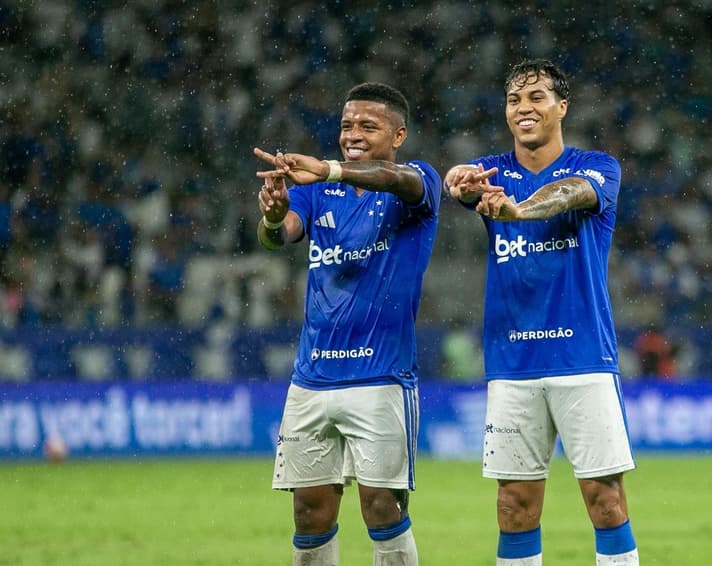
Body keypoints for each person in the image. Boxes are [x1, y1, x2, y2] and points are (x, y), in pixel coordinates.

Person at [444, 59, 639, 565]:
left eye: (537, 98)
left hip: (583, 360)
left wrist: (520, 210)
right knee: (514, 506)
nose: (524, 108)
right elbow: (460, 184)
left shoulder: (598, 166)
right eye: (514, 100)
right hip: (513, 365)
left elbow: (571, 193)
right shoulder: (493, 172)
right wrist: (456, 180)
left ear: (562, 106)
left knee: (605, 501)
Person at [254, 82, 440, 566]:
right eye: (346, 125)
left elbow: (397, 181)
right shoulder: (318, 190)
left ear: (398, 134)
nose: (352, 134)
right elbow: (281, 235)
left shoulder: (417, 180)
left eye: (367, 126)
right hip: (312, 378)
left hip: (380, 378)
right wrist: (273, 218)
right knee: (309, 511)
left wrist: (329, 168)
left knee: (382, 507)